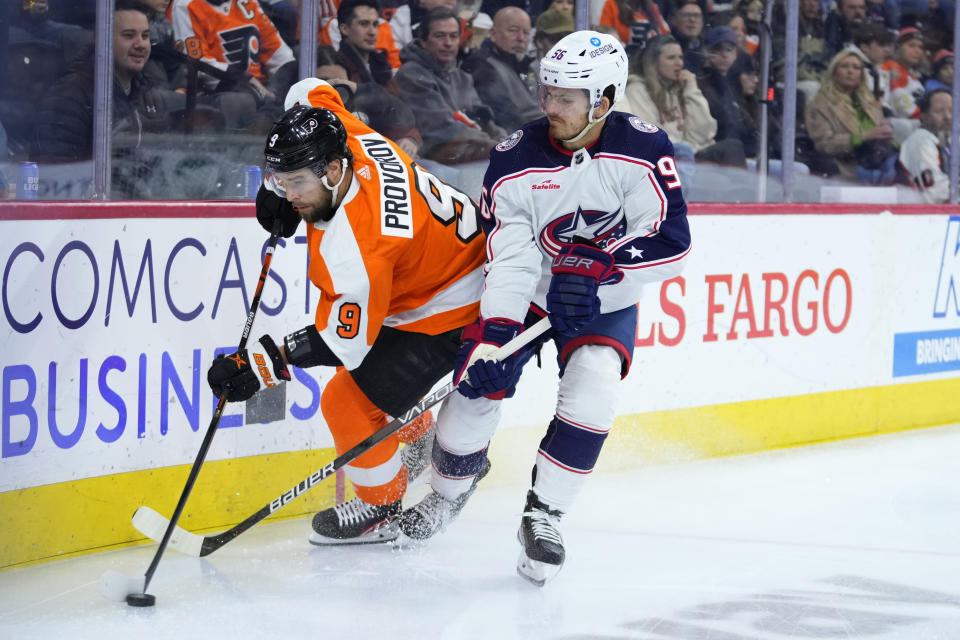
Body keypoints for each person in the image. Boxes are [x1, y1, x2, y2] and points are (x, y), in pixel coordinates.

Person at [397, 30, 691, 586]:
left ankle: (545, 513)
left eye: (565, 97)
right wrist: (497, 330)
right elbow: (509, 258)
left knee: (595, 386)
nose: (549, 106)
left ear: (604, 99)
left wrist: (606, 267)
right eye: (546, 91)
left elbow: (671, 241)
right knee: (474, 390)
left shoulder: (645, 149)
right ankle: (447, 494)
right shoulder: (514, 159)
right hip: (530, 293)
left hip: (606, 295)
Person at [207, 76, 491, 545]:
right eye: (280, 178)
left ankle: (382, 504)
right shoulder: (334, 127)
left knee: (344, 401)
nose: (287, 191)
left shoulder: (360, 245)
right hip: (432, 265)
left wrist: (263, 363)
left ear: (335, 171)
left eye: (295, 182)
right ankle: (415, 441)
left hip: (450, 302)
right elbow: (312, 88)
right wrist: (279, 191)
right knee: (374, 388)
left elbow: (345, 343)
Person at [32, 0, 174, 166]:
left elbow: (163, 165)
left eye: (145, 36)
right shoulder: (70, 95)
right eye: (128, 35)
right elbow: (55, 173)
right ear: (103, 39)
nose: (140, 44)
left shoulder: (150, 95)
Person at [394, 7, 507, 163]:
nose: (448, 43)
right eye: (440, 36)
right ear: (424, 42)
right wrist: (496, 148)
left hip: (471, 150)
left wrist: (507, 142)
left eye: (453, 36)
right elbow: (442, 129)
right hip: (433, 156)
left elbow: (482, 119)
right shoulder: (411, 74)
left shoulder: (463, 78)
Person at [621, 34, 746, 167]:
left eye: (680, 57)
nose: (679, 63)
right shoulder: (638, 89)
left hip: (689, 154)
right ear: (653, 62)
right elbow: (651, 135)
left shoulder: (681, 89)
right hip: (665, 159)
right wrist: (690, 149)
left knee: (738, 150)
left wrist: (691, 89)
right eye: (671, 58)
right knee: (732, 148)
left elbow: (704, 133)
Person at [805, 49, 897, 182]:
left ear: (861, 74)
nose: (850, 71)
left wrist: (888, 136)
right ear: (834, 72)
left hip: (878, 161)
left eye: (856, 68)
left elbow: (880, 134)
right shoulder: (819, 104)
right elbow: (824, 144)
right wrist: (863, 137)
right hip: (846, 166)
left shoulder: (870, 102)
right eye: (844, 66)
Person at [462, 7, 541, 132]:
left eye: (526, 33)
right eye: (513, 31)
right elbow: (505, 116)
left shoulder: (533, 64)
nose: (521, 38)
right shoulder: (483, 66)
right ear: (493, 34)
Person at [697, 25, 758, 159]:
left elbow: (750, 125)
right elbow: (723, 123)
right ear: (706, 52)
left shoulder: (734, 85)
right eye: (717, 49)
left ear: (735, 54)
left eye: (729, 49)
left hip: (743, 153)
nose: (724, 55)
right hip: (719, 155)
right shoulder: (699, 83)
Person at [899, 89, 952, 203]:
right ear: (924, 115)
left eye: (951, 110)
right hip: (918, 216)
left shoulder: (949, 139)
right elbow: (934, 193)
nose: (948, 116)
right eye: (939, 111)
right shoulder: (920, 140)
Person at [882, 26, 926, 118]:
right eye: (911, 45)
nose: (917, 51)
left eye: (920, 47)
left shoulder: (913, 75)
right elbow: (905, 110)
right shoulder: (889, 68)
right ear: (898, 48)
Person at [669, 0, 705, 73]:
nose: (692, 20)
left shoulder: (707, 46)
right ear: (675, 20)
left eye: (697, 16)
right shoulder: (667, 46)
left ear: (702, 22)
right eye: (686, 15)